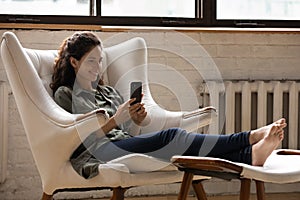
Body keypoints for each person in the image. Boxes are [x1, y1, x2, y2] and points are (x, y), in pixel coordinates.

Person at [50, 32, 286, 179]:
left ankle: (249, 154)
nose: (97, 67)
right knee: (172, 137)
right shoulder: (65, 94)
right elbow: (78, 141)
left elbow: (128, 133)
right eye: (91, 61)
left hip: (121, 143)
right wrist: (115, 121)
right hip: (99, 152)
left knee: (178, 144)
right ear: (74, 61)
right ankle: (250, 139)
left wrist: (135, 119)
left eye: (100, 61)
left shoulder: (108, 92)